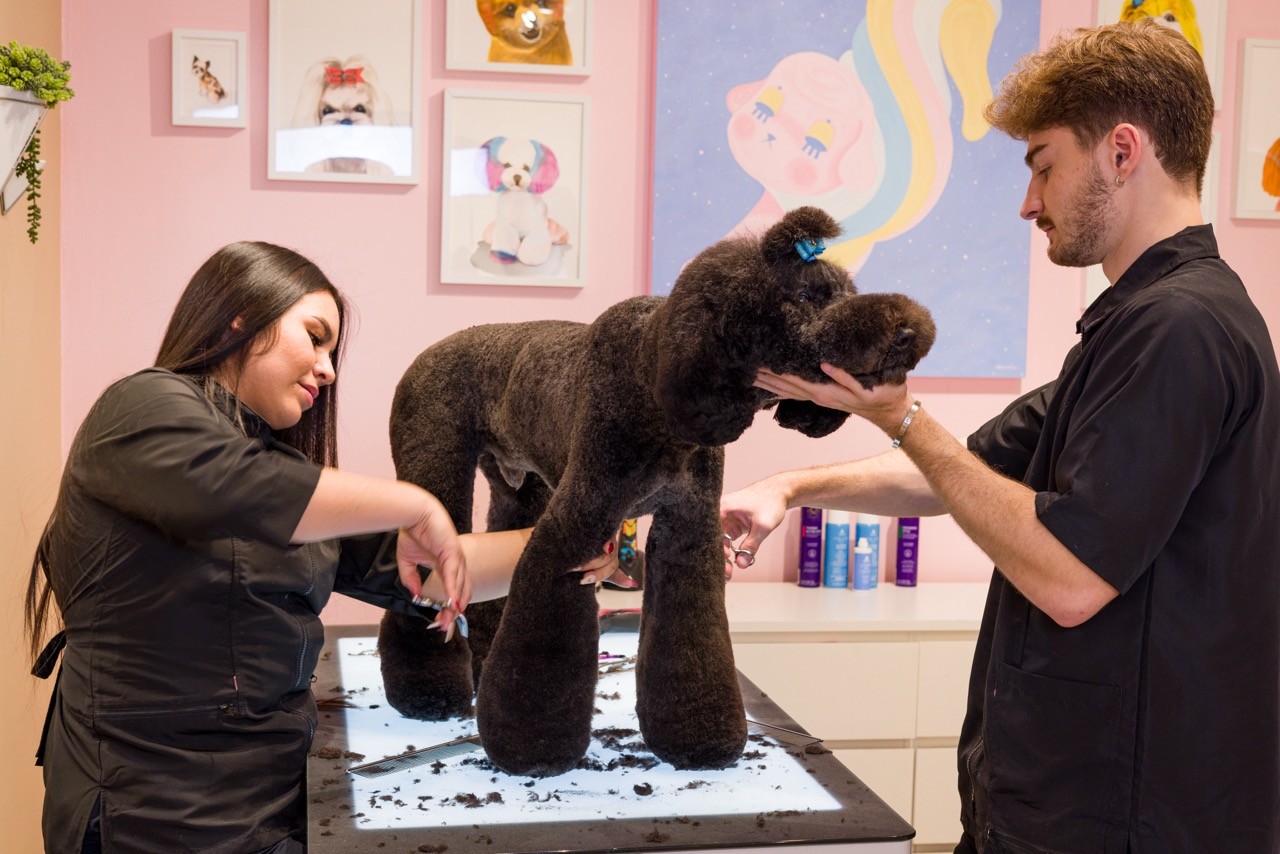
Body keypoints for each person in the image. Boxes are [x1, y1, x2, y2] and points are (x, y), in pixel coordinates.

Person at [721, 20, 1280, 854]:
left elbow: (1069, 578)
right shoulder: (1134, 330)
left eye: (1044, 165)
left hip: (1129, 816)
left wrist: (903, 416)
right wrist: (791, 488)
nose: (1029, 202)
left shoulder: (1181, 331)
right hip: (1062, 799)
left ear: (1122, 152)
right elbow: (960, 472)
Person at [24, 241, 633, 853]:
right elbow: (245, 486)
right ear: (242, 315)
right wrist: (417, 503)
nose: (328, 368)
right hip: (151, 817)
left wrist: (567, 542)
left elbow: (433, 571)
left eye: (332, 350)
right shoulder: (142, 410)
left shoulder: (290, 479)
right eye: (314, 337)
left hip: (267, 807)